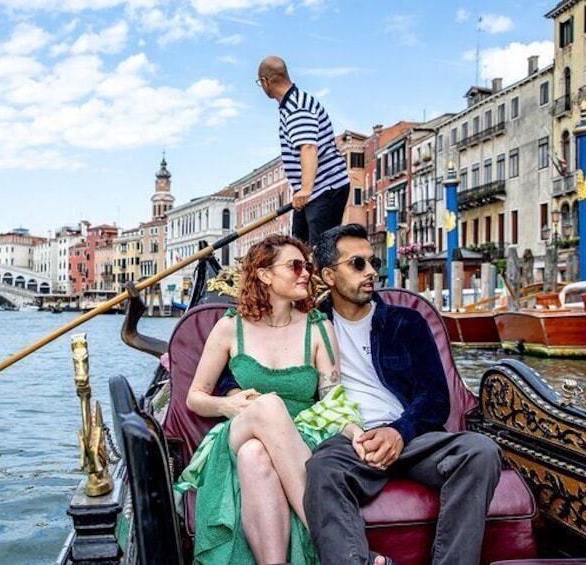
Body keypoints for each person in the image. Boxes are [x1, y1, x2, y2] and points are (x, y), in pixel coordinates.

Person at [226, 224, 503, 565]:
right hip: (348, 441)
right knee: (320, 471)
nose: (371, 272)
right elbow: (245, 364)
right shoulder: (308, 326)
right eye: (358, 264)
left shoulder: (407, 322)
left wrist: (398, 433)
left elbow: (435, 398)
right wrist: (234, 393)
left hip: (411, 437)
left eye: (372, 263)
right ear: (329, 275)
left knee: (480, 451)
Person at [175, 234, 363, 564]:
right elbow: (195, 397)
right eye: (295, 266)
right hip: (238, 428)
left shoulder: (318, 328)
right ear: (264, 274)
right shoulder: (230, 327)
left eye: (307, 266)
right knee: (268, 407)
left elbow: (332, 400)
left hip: (298, 436)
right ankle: (339, 550)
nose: (306, 273)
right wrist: (226, 405)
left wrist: (357, 434)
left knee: (254, 455)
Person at [257, 55, 350, 245]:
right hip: (312, 193)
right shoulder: (293, 103)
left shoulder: (296, 107)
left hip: (325, 189)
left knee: (318, 252)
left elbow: (308, 147)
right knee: (298, 248)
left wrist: (305, 189)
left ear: (266, 82)